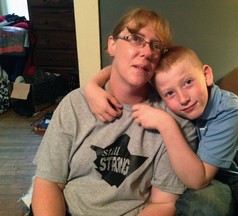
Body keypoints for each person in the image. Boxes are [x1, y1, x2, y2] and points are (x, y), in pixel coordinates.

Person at [85, 45, 238, 216]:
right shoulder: (169, 103)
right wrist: (92, 85)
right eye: (170, 93)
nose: (183, 99)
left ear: (206, 75)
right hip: (211, 183)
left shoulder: (228, 109)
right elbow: (123, 71)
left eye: (188, 82)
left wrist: (166, 124)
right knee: (203, 204)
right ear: (160, 93)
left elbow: (198, 177)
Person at [31, 9, 198, 216]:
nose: (146, 52)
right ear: (112, 45)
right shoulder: (75, 104)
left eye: (156, 46)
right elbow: (49, 182)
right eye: (135, 39)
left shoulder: (174, 122)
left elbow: (163, 204)